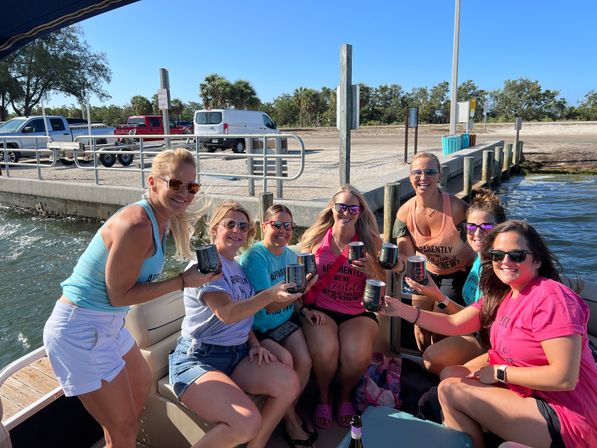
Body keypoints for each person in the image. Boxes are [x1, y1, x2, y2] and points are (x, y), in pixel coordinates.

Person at [43, 148, 218, 448]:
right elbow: (117, 295)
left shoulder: (161, 219)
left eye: (192, 187)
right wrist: (182, 282)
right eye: (175, 184)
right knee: (123, 426)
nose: (185, 193)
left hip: (109, 325)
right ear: (152, 183)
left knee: (139, 390)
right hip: (81, 328)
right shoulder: (138, 224)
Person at [382, 220, 597, 448]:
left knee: (450, 390)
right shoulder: (505, 294)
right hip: (533, 395)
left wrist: (499, 373)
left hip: (568, 416)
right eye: (497, 255)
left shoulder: (552, 298)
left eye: (516, 255)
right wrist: (400, 309)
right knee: (451, 374)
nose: (505, 262)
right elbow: (454, 323)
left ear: (537, 260)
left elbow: (563, 378)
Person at [169, 200, 306, 448]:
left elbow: (243, 318)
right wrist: (269, 295)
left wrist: (253, 343)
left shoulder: (237, 267)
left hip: (237, 353)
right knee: (246, 422)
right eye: (230, 224)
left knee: (289, 383)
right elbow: (227, 313)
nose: (237, 230)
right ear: (214, 230)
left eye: (243, 226)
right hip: (199, 358)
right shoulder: (204, 268)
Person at [299, 184, 402, 429]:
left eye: (352, 208)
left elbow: (384, 279)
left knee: (357, 355)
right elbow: (300, 276)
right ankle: (324, 396)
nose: (346, 212)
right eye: (341, 207)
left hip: (357, 311)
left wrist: (372, 269)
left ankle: (344, 394)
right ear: (332, 208)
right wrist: (304, 305)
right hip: (321, 308)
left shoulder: (370, 242)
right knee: (325, 350)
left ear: (360, 212)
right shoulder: (314, 239)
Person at [239, 204, 321, 446]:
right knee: (286, 359)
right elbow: (268, 306)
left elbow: (291, 298)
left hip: (286, 320)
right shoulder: (255, 257)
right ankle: (292, 422)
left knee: (305, 361)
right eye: (277, 225)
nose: (283, 231)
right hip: (259, 328)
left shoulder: (290, 255)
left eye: (288, 226)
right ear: (264, 226)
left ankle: (288, 414)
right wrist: (303, 290)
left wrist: (303, 308)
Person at [406, 188, 507, 375]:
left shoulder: (500, 268)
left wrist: (439, 297)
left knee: (433, 360)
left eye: (486, 227)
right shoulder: (479, 258)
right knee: (427, 343)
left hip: (489, 341)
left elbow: (478, 321)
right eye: (471, 227)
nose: (477, 233)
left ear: (500, 228)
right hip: (475, 331)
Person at [394, 152, 476, 351]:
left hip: (457, 274)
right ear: (410, 176)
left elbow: (481, 239)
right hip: (425, 273)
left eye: (430, 172)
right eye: (418, 172)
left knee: (440, 330)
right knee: (420, 326)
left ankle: (436, 368)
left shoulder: (457, 209)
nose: (424, 177)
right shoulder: (405, 213)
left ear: (439, 175)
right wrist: (392, 263)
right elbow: (406, 256)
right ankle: (424, 367)